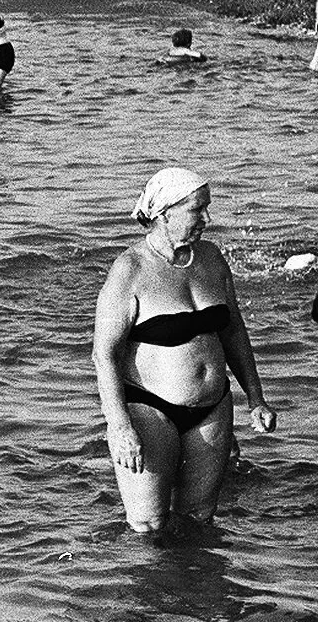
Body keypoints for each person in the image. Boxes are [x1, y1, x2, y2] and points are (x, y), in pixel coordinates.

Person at [93, 168, 275, 535]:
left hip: (214, 407)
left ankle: (199, 590)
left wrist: (256, 398)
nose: (207, 218)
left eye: (207, 208)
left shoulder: (211, 258)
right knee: (149, 527)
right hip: (150, 409)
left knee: (199, 520)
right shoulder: (130, 270)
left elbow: (234, 331)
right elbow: (104, 355)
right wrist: (119, 425)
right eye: (198, 210)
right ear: (164, 214)